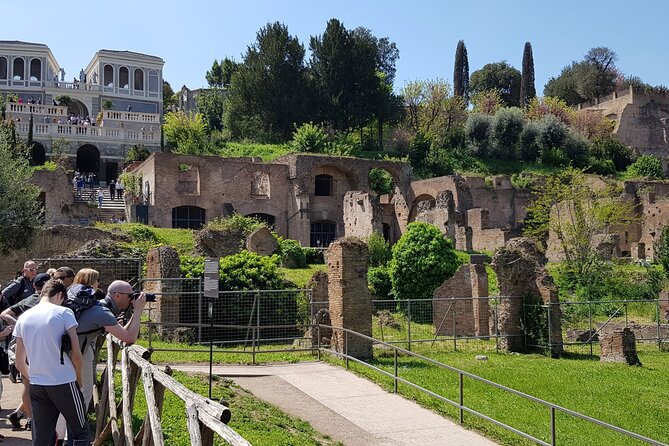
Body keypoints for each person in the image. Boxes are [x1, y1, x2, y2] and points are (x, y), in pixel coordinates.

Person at [14, 279, 89, 446]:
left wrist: (34, 376)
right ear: (60, 295)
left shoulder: (23, 318)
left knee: (42, 435)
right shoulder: (64, 313)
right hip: (63, 381)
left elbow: (19, 362)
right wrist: (79, 379)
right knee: (80, 431)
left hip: (37, 384)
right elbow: (76, 354)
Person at [72, 280, 146, 413]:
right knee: (84, 392)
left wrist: (135, 314)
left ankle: (68, 430)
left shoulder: (100, 307)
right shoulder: (103, 312)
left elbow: (123, 333)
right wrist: (139, 310)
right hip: (76, 354)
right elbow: (130, 338)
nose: (132, 299)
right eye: (130, 295)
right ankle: (74, 430)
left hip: (73, 351)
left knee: (75, 393)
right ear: (117, 295)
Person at [2, 273, 51, 430]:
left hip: (32, 347)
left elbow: (5, 313)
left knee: (31, 383)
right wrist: (21, 326)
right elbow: (4, 313)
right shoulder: (35, 300)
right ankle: (31, 419)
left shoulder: (31, 299)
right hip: (30, 348)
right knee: (30, 383)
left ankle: (20, 414)